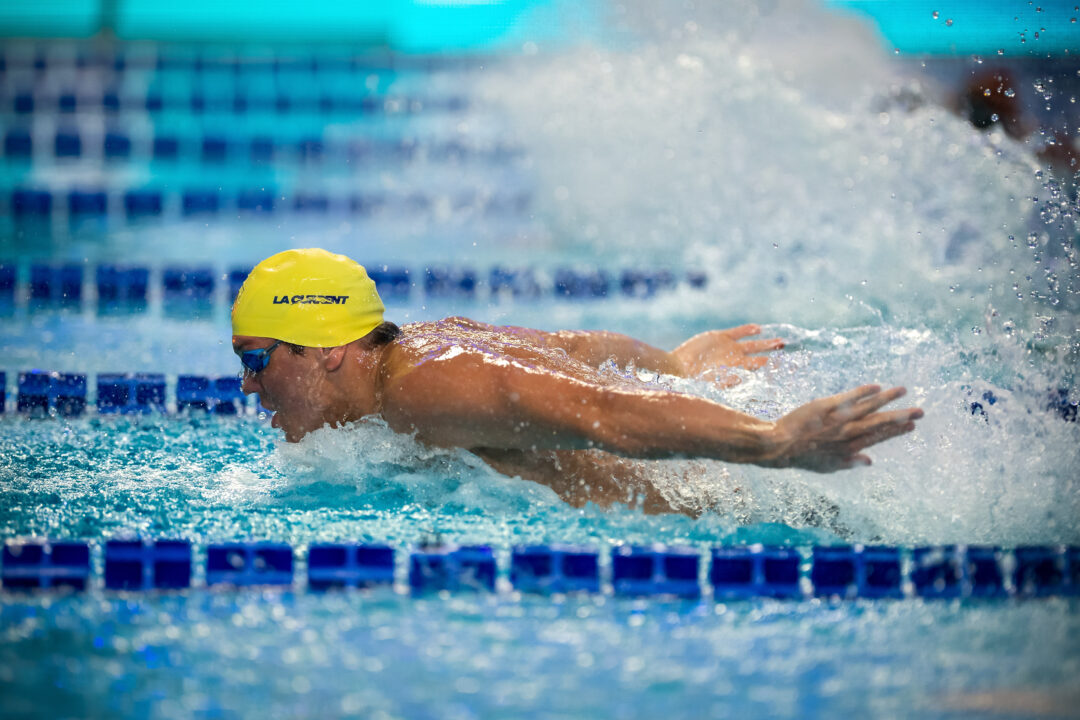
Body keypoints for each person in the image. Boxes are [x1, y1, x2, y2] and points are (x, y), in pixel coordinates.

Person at [232, 248, 923, 513]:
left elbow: (600, 413)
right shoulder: (428, 348)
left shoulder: (423, 389)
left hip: (738, 506)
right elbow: (576, 348)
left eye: (256, 360)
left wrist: (772, 443)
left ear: (326, 349)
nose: (247, 387)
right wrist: (678, 364)